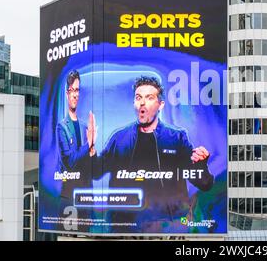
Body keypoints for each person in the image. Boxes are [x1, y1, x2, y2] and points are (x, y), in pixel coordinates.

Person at [91, 75, 214, 233]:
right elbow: (96, 172)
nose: (142, 102)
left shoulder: (176, 138)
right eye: (138, 97)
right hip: (126, 229)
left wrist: (201, 164)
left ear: (160, 104)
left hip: (166, 227)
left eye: (149, 98)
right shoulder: (119, 138)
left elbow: (204, 184)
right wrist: (91, 148)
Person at [56, 70, 96, 213]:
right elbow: (70, 162)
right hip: (69, 197)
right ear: (67, 93)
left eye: (77, 90)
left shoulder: (85, 126)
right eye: (72, 90)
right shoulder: (61, 127)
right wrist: (88, 145)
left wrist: (93, 153)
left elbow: (94, 170)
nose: (75, 94)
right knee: (68, 235)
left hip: (86, 195)